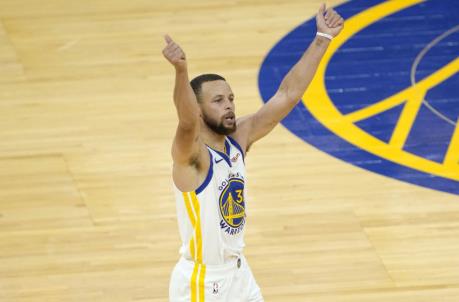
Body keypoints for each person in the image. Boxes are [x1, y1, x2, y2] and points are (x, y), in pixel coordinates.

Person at [163, 4, 344, 301]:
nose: (229, 105)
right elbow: (185, 122)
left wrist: (323, 37)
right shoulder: (191, 158)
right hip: (202, 284)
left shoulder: (238, 139)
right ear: (198, 109)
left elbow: (287, 95)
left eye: (231, 98)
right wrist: (181, 71)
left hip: (239, 274)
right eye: (218, 100)